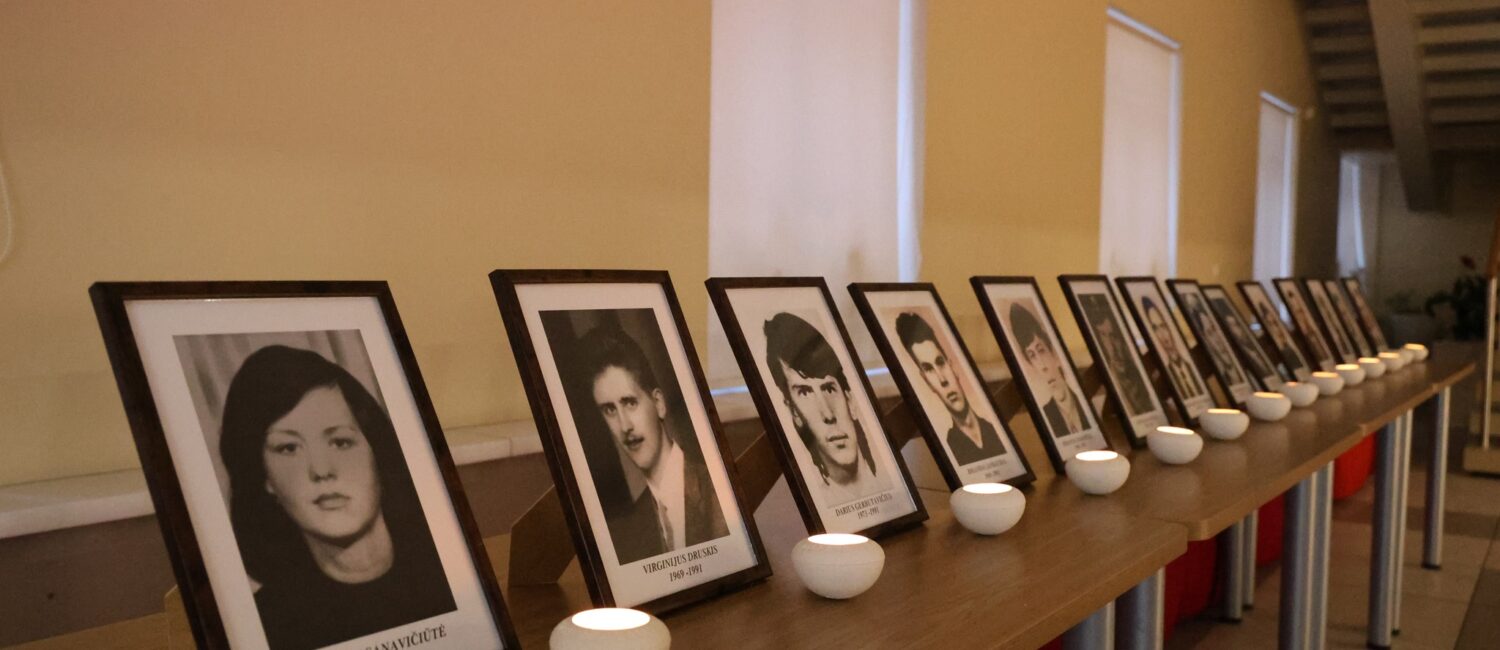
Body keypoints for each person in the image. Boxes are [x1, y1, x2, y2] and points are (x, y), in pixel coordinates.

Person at [219, 345, 454, 650]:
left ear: (377, 452)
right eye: (288, 448)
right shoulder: (262, 627)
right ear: (265, 478)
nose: (321, 470)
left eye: (341, 442)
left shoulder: (456, 573)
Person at [576, 326, 728, 565]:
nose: (624, 425)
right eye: (610, 410)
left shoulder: (718, 492)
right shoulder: (631, 532)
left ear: (658, 403)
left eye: (630, 403)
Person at [764, 312, 889, 506]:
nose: (828, 414)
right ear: (795, 413)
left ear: (850, 401)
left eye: (829, 388)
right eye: (805, 392)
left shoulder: (891, 487)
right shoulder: (818, 504)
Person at [893, 312, 1006, 465]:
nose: (942, 379)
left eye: (940, 362)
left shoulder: (995, 431)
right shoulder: (949, 447)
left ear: (951, 366)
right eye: (929, 369)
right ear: (926, 381)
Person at [1008, 302, 1090, 438]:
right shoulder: (1047, 417)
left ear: (1053, 352)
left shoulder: (1084, 405)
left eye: (1041, 350)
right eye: (1032, 356)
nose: (1042, 366)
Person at [1078, 294, 1154, 416]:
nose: (1113, 347)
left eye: (1113, 336)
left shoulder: (1139, 379)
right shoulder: (1109, 375)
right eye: (1104, 336)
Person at [1142, 297, 1206, 400]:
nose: (1162, 334)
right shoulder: (1161, 376)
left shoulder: (1195, 363)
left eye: (1163, 326)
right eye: (1156, 329)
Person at [1181, 293, 1246, 388]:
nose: (1216, 339)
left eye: (1214, 329)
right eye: (1210, 334)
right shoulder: (1220, 375)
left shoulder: (1245, 361)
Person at [1253, 297, 1309, 375]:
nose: (1277, 328)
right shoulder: (1265, 348)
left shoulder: (1294, 337)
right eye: (1271, 325)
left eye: (1276, 323)